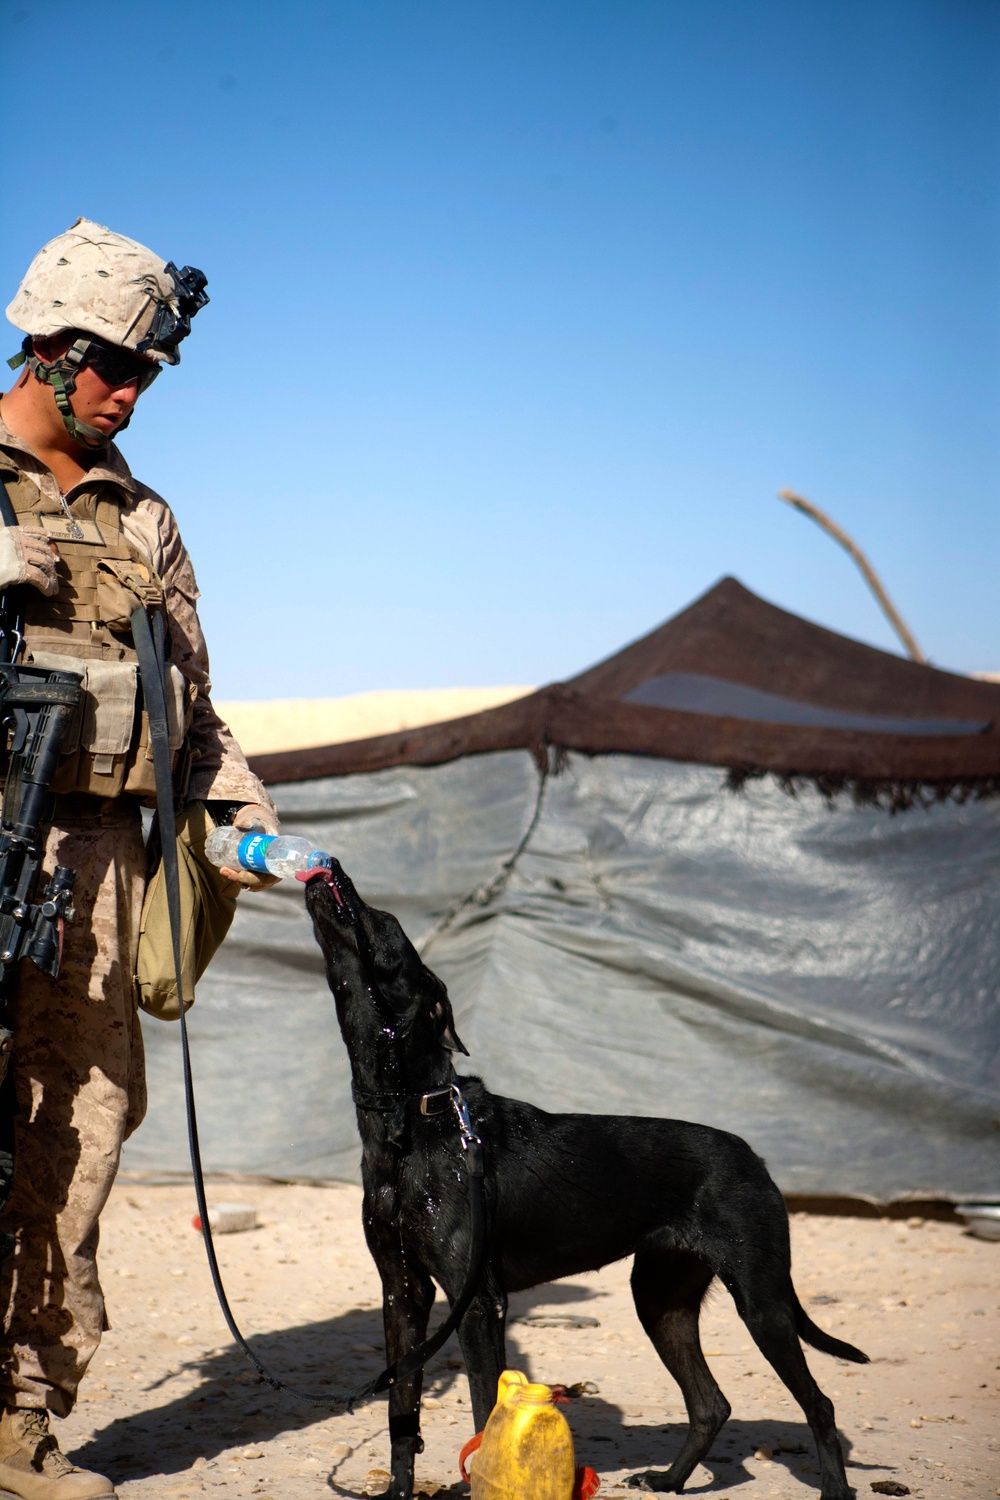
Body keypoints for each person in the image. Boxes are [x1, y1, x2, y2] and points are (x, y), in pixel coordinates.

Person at [0, 219, 280, 1499]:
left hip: (102, 874)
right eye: (110, 364)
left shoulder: (146, 518)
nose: (127, 391)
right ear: (46, 348)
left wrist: (247, 822)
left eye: (145, 373)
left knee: (81, 1135)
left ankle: (17, 1425)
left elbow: (196, 710)